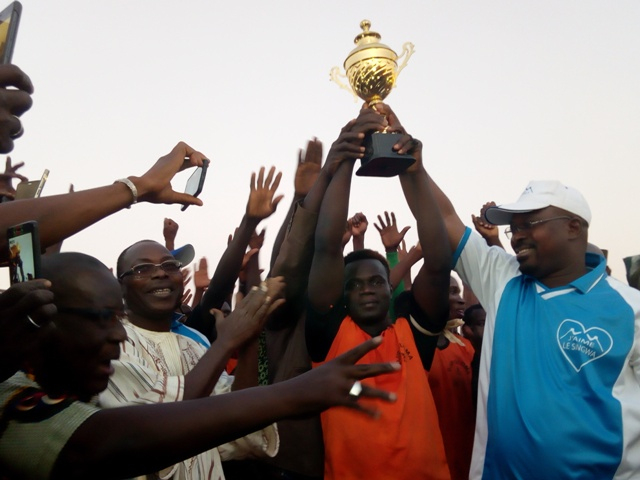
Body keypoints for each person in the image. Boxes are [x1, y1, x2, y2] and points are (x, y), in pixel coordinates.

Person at [0, 252, 399, 479]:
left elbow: (225, 426)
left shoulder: (196, 345)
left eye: (116, 318)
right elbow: (122, 438)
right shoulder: (13, 404)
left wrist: (246, 341)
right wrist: (295, 393)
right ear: (41, 322)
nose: (118, 336)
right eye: (101, 319)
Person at [422, 173, 640, 478]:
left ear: (573, 227)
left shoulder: (631, 308)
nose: (516, 236)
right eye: (515, 227)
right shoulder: (503, 280)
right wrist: (411, 165)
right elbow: (445, 218)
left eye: (530, 224)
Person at [306, 104, 451, 480]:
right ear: (341, 296)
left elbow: (438, 262)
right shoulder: (330, 337)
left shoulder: (412, 333)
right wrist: (345, 160)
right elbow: (324, 247)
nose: (365, 290)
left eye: (375, 281)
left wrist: (413, 171)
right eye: (353, 285)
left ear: (392, 287)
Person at [100, 239, 283, 479]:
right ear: (120, 286)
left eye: (169, 265)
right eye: (143, 269)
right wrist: (227, 342)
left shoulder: (195, 345)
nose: (160, 274)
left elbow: (237, 428)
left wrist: (247, 341)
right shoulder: (110, 344)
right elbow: (155, 430)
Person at [427, 276, 475, 480]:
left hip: (467, 460)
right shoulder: (411, 346)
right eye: (452, 292)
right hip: (431, 461)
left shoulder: (467, 348)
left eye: (460, 293)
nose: (461, 300)